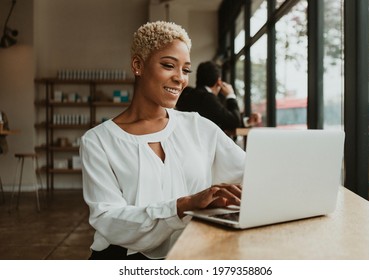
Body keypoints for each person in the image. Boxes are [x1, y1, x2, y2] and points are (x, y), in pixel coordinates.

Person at [80, 21, 246, 260]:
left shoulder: (199, 127)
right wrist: (183, 205)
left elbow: (251, 174)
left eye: (186, 70)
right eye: (169, 65)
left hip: (190, 253)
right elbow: (108, 220)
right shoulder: (98, 141)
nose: (180, 78)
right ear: (138, 65)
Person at [175, 61, 261, 133]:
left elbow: (222, 119)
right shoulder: (207, 98)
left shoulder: (188, 94)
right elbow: (234, 121)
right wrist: (230, 95)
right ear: (219, 81)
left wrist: (247, 121)